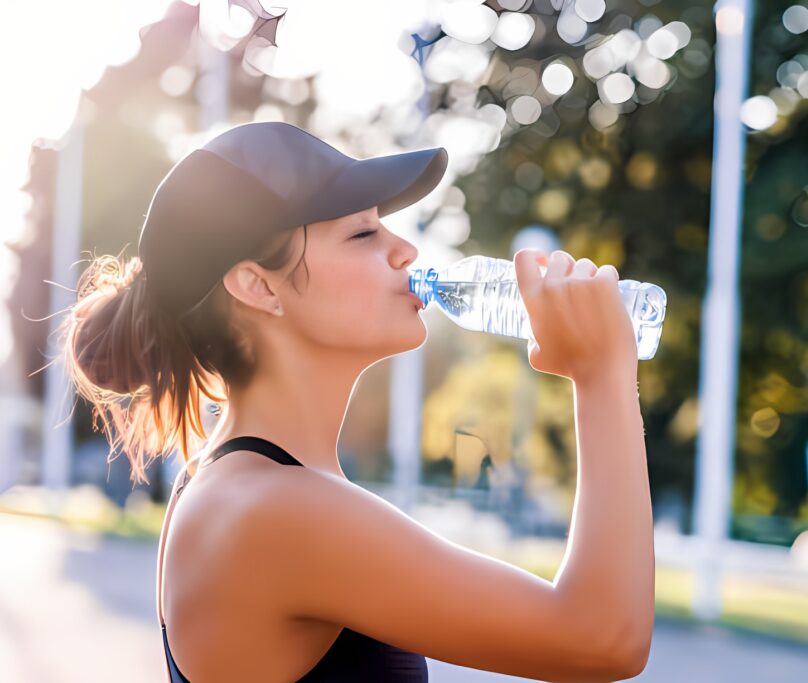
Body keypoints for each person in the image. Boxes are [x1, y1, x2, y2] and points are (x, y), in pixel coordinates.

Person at [58, 121, 653, 681]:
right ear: (258, 285)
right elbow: (602, 637)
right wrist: (601, 377)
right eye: (365, 233)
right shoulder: (274, 511)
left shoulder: (241, 486)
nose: (406, 252)